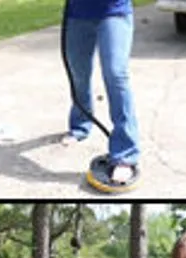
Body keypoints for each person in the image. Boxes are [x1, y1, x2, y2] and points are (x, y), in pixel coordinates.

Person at [60, 0, 140, 184]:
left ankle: (125, 154)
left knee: (116, 74)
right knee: (78, 72)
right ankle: (80, 125)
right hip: (77, 13)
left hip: (114, 11)